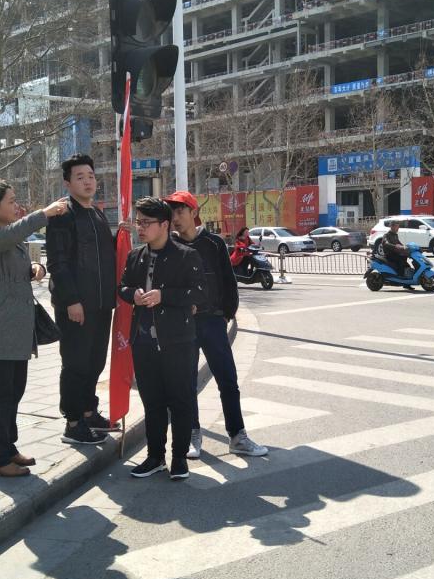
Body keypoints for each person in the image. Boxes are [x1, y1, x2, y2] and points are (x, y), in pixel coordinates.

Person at [0, 182, 70, 477]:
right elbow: (10, 237)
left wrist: (35, 269)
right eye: (11, 201)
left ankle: (8, 448)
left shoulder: (3, 234)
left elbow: (11, 263)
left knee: (14, 392)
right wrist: (44, 214)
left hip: (17, 327)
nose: (16, 206)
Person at [166, 191, 268, 460]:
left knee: (227, 379)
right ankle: (192, 434)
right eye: (172, 213)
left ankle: (237, 436)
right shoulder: (169, 245)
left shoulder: (214, 243)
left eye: (180, 211)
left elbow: (228, 281)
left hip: (212, 321)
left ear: (193, 212)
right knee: (186, 382)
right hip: (183, 325)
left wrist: (226, 315)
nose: (175, 218)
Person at [119, 197, 207, 480]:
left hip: (178, 341)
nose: (140, 228)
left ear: (165, 225)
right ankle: (155, 456)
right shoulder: (136, 256)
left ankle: (179, 458)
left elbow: (200, 292)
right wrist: (132, 294)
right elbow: (122, 286)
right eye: (138, 222)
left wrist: (164, 296)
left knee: (180, 400)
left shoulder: (186, 255)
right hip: (143, 342)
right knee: (152, 402)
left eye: (146, 223)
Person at [46, 154, 119, 446]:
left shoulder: (97, 214)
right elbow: (58, 262)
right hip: (76, 305)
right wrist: (71, 300)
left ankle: (89, 412)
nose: (88, 181)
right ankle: (73, 422)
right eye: (80, 177)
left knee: (95, 361)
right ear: (67, 183)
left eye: (90, 176)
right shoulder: (63, 214)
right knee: (75, 363)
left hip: (101, 303)